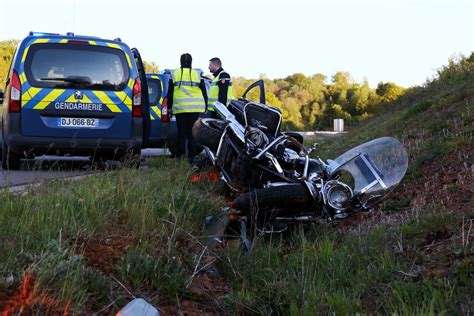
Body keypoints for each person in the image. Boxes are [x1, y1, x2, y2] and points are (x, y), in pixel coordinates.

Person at [167, 53, 207, 162]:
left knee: (181, 133)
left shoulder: (175, 73)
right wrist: (205, 106)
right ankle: (192, 157)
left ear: (180, 61)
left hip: (180, 108)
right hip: (195, 108)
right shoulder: (197, 74)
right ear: (191, 61)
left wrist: (169, 107)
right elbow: (204, 91)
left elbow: (170, 92)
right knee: (191, 133)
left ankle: (181, 157)